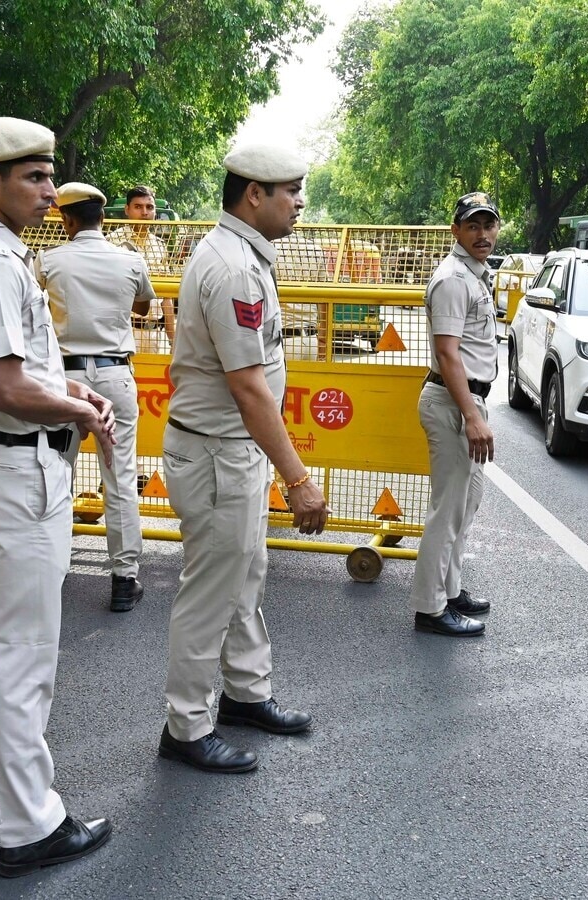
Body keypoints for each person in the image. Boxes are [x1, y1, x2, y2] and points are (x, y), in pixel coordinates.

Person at [0, 116, 114, 877]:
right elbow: (4, 387)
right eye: (35, 179)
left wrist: (61, 384)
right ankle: (31, 824)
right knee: (21, 653)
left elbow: (9, 371)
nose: (49, 192)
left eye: (49, 177)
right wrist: (78, 406)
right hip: (15, 474)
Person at [158, 143, 329, 775]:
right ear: (253, 194)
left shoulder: (245, 257)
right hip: (217, 455)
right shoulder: (232, 268)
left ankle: (245, 693)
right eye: (291, 190)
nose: (300, 202)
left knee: (246, 575)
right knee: (211, 590)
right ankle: (187, 724)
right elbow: (249, 386)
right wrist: (299, 479)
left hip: (231, 453)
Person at [37, 182, 155, 611]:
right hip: (114, 376)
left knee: (56, 472)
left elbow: (34, 307)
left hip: (61, 380)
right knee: (119, 475)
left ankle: (51, 570)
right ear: (104, 218)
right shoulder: (130, 259)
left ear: (66, 219)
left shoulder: (48, 260)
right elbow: (142, 307)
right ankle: (124, 578)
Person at [408, 192, 500, 638]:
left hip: (467, 402)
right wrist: (472, 416)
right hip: (453, 403)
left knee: (468, 503)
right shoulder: (451, 279)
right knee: (447, 510)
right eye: (473, 226)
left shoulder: (475, 275)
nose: (483, 234)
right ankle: (430, 608)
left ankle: (451, 589)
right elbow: (448, 353)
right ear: (456, 231)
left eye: (489, 225)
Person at [111, 185, 174, 349]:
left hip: (156, 336)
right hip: (123, 333)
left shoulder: (160, 246)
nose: (144, 213)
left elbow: (166, 298)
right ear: (127, 210)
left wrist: (173, 341)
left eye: (149, 207)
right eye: (138, 207)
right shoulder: (112, 242)